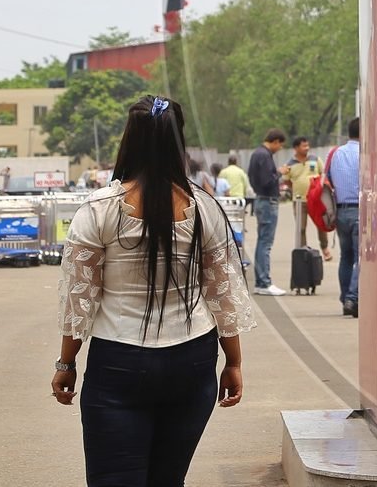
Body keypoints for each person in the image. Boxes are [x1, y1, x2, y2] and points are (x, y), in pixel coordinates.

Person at [51, 95, 255, 486]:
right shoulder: (205, 208)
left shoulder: (98, 209)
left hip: (118, 362)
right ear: (179, 142)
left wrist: (66, 363)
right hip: (193, 360)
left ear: (129, 139)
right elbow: (223, 295)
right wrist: (233, 362)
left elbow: (80, 299)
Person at [329, 118, 361, 317]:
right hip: (360, 210)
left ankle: (345, 298)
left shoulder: (336, 153)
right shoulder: (365, 153)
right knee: (360, 258)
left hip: (340, 211)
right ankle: (352, 298)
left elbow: (327, 181)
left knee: (346, 257)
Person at [247, 129, 286, 297]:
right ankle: (264, 282)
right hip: (268, 201)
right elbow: (267, 180)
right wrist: (279, 172)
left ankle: (262, 281)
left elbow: (253, 177)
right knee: (265, 243)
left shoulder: (257, 154)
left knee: (262, 241)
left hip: (261, 199)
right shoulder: (264, 155)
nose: (280, 148)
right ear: (275, 141)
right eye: (280, 145)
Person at [286, 136, 329, 259]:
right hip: (300, 201)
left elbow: (323, 175)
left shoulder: (315, 159)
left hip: (316, 200)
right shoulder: (290, 164)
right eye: (303, 146)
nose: (307, 148)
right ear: (296, 148)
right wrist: (297, 188)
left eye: (307, 146)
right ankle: (303, 252)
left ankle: (325, 248)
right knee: (301, 228)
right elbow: (287, 180)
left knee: (321, 224)